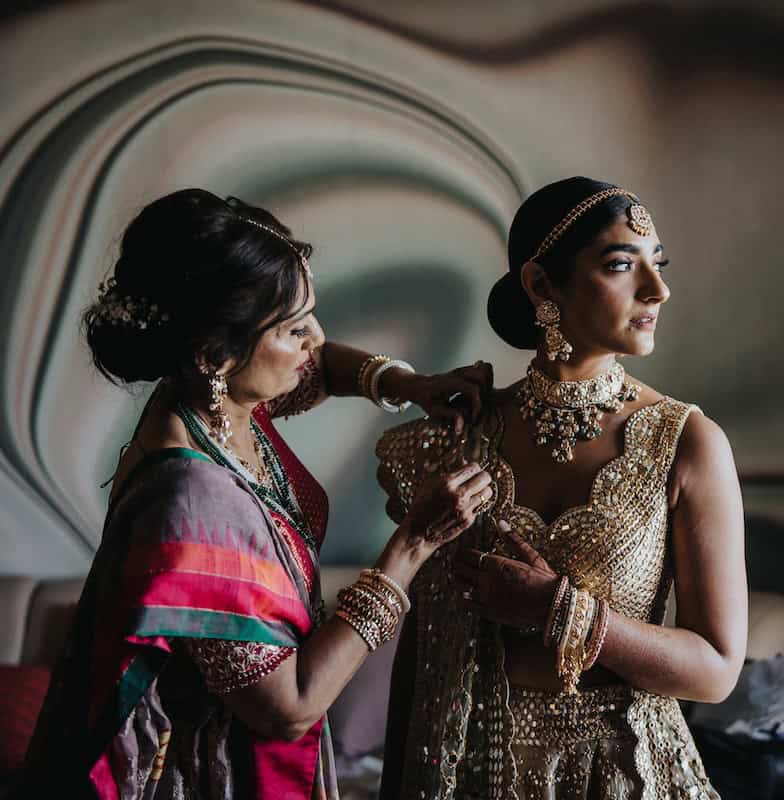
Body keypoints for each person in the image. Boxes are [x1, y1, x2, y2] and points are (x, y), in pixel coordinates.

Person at [19, 189, 495, 799]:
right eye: (295, 328)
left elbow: (323, 368)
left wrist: (408, 382)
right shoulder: (191, 502)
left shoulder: (214, 405)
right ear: (215, 353)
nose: (316, 338)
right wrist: (412, 544)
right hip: (214, 770)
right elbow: (289, 707)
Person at [376, 177, 748, 798]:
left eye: (657, 266)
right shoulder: (457, 437)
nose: (658, 290)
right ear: (542, 285)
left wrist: (559, 609)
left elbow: (715, 669)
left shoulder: (686, 442)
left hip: (623, 776)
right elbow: (423, 647)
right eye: (621, 266)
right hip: (468, 772)